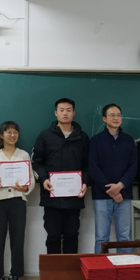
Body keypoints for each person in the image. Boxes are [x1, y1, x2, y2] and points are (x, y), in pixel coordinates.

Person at [32, 97, 89, 254]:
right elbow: (36, 162)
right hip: (52, 197)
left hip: (74, 197)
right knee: (53, 236)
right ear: (55, 113)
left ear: (73, 113)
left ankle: (70, 270)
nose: (65, 113)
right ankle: (54, 270)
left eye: (68, 110)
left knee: (72, 235)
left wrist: (85, 182)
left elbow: (88, 164)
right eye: (62, 110)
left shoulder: (82, 137)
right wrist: (43, 179)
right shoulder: (45, 136)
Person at [0, 121, 35, 280]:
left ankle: (15, 276)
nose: (12, 135)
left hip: (18, 201)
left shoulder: (23, 154)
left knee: (18, 240)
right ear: (1, 135)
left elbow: (31, 180)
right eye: (8, 132)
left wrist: (25, 187)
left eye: (15, 132)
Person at [89, 103, 137, 253]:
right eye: (112, 115)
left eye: (118, 115)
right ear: (104, 118)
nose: (116, 118)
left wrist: (120, 186)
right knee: (101, 237)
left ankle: (124, 265)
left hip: (124, 194)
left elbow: (133, 166)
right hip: (102, 195)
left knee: (124, 236)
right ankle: (100, 266)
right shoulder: (96, 140)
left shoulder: (129, 140)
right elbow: (93, 167)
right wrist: (111, 190)